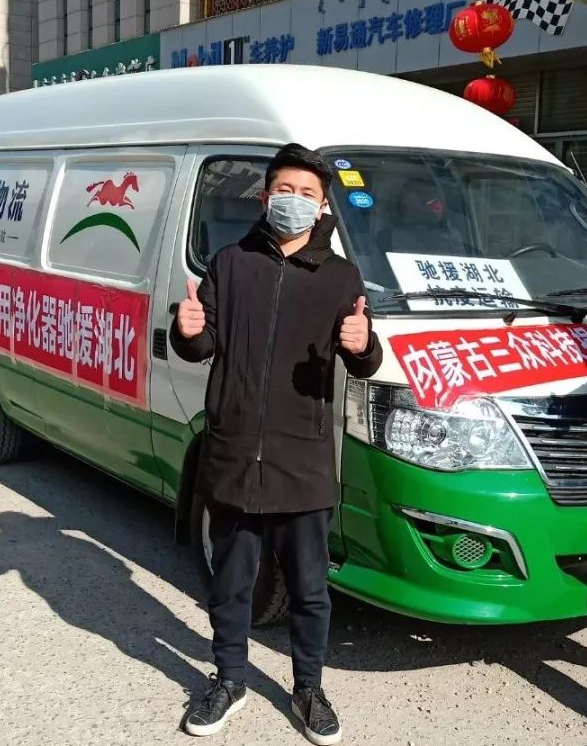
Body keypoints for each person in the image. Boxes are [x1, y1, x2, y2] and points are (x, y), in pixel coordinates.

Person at [171, 143, 383, 745]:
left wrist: (363, 344)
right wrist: (188, 332)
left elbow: (365, 359)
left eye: (308, 194)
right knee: (231, 582)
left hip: (303, 459)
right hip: (234, 451)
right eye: (285, 191)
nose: (295, 201)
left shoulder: (340, 277)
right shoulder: (231, 263)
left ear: (323, 208)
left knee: (309, 590)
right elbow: (202, 343)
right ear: (265, 198)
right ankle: (229, 680)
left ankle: (308, 688)